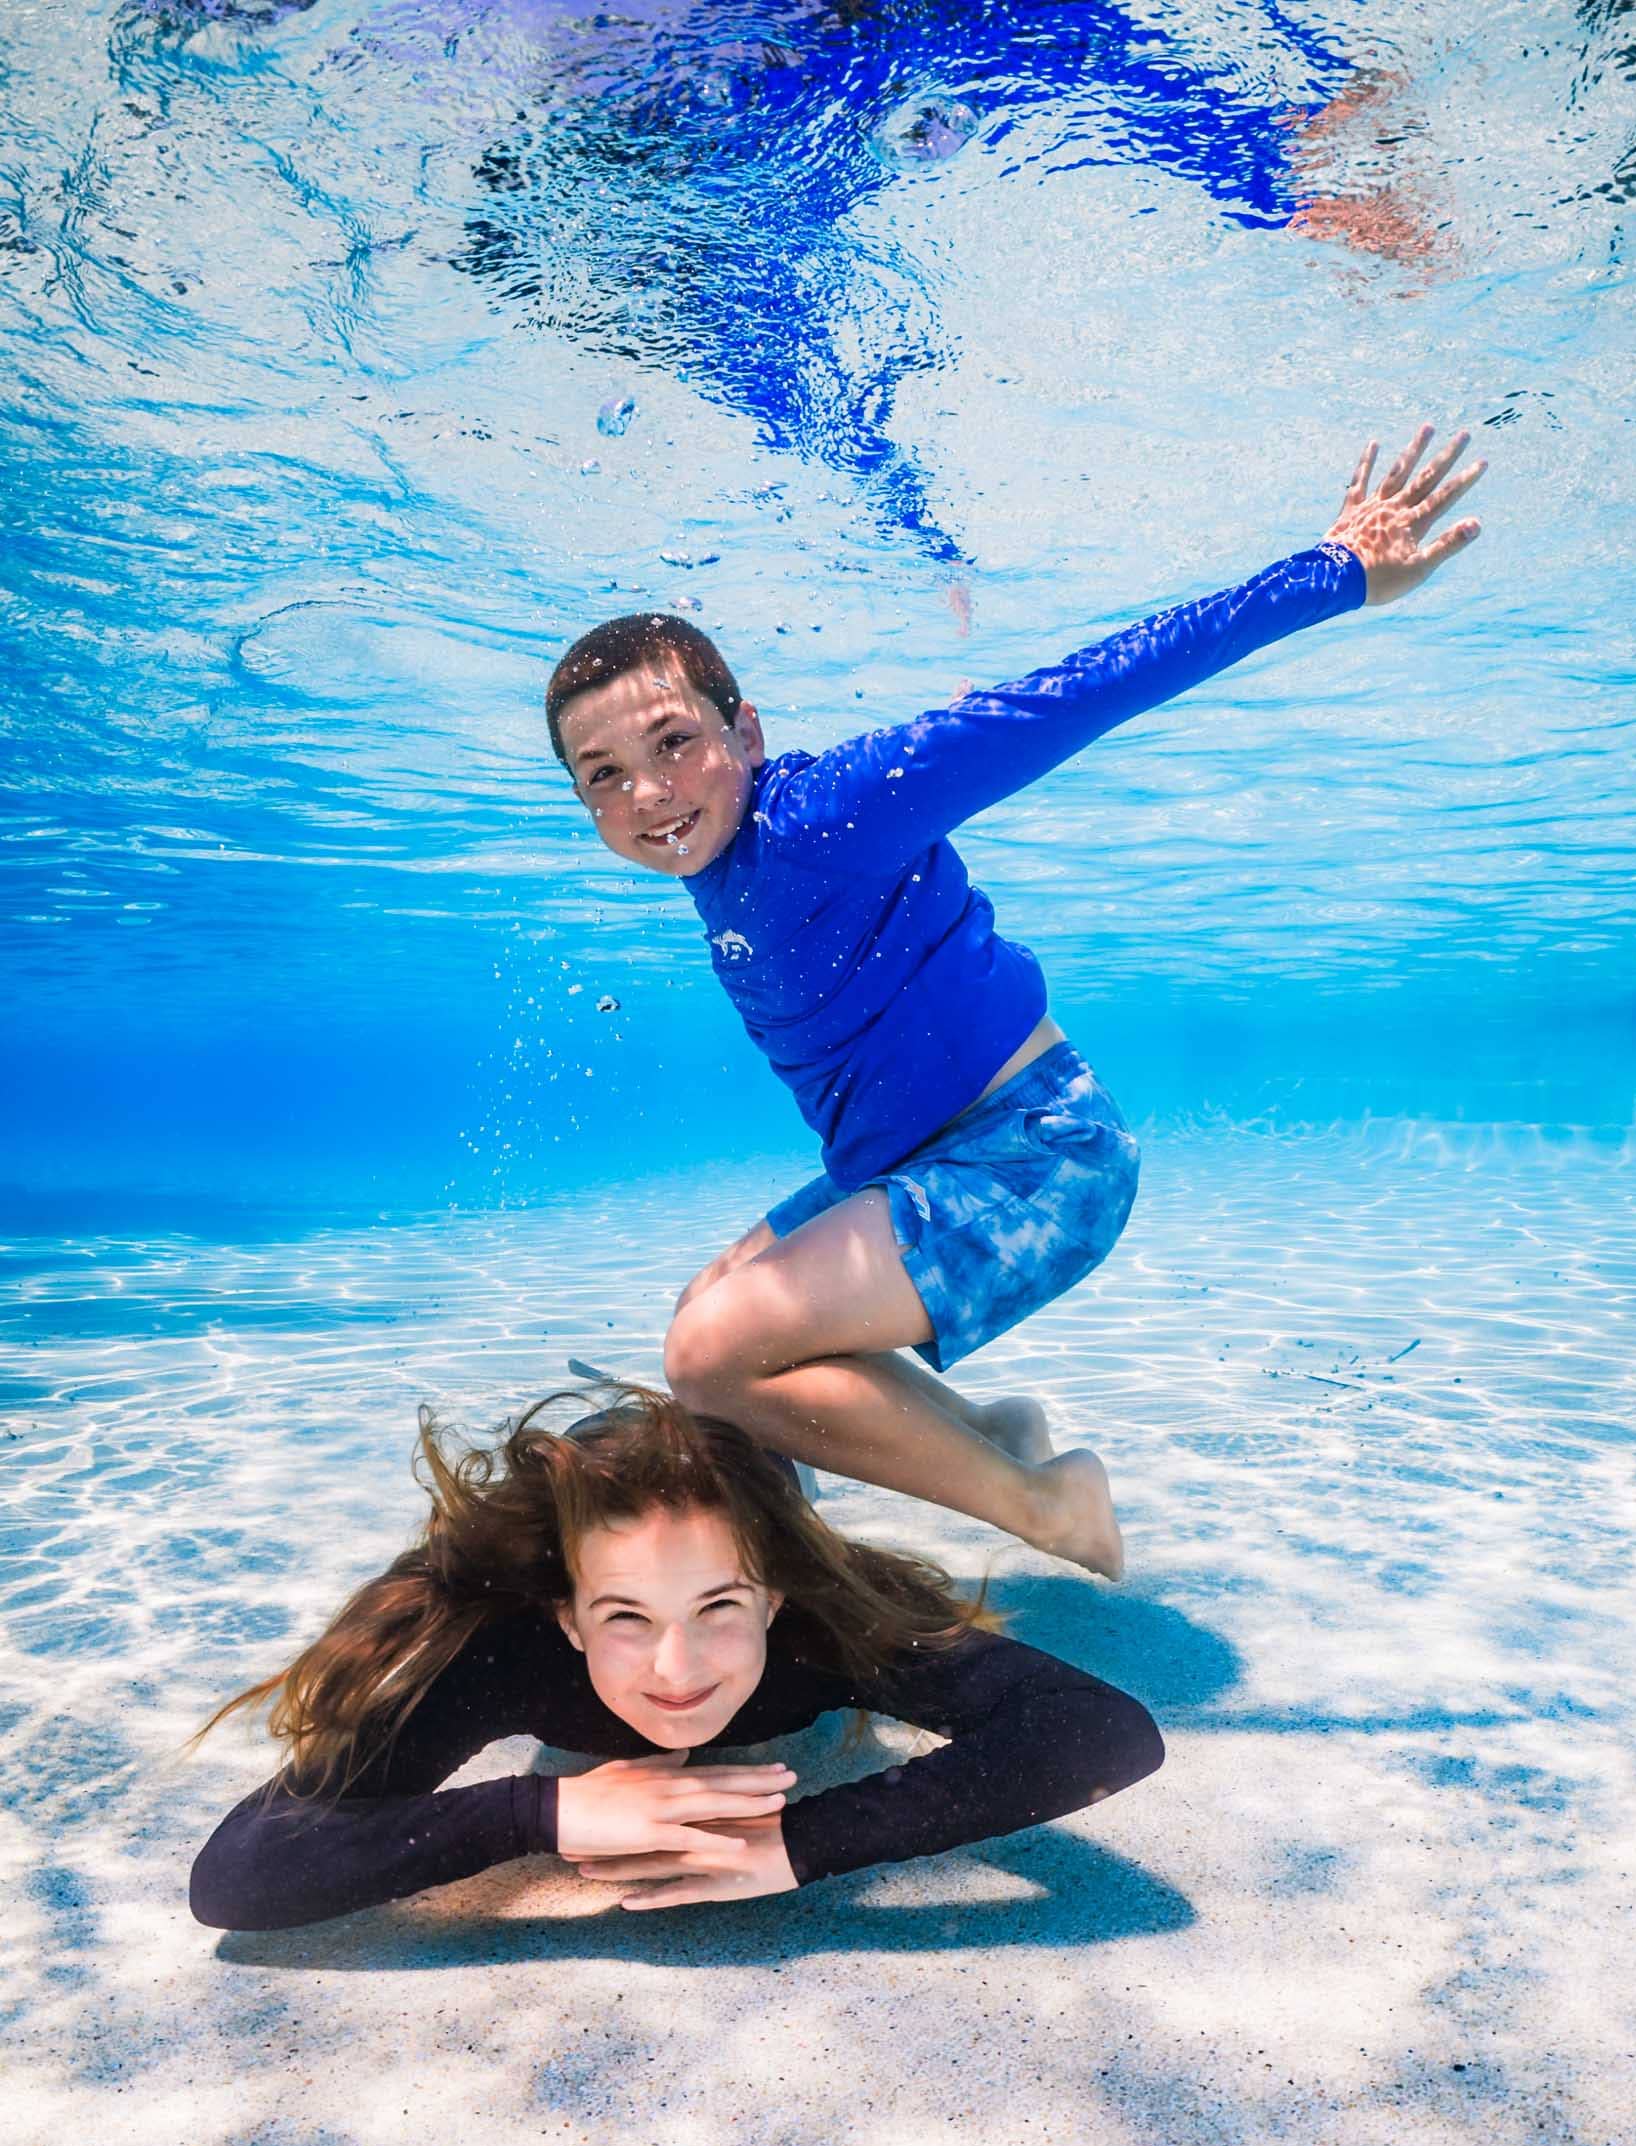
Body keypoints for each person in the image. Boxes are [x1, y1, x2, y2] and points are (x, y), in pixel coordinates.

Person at [543, 425, 1486, 1578]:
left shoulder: (827, 812)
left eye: (673, 743)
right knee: (713, 1307)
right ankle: (978, 1442)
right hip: (919, 1165)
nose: (645, 793)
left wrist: (1333, 572)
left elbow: (1082, 693)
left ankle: (1042, 1503)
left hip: (1041, 1159)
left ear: (745, 732)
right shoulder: (719, 852)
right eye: (602, 777)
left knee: (710, 1354)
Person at [188, 1386, 1164, 1932]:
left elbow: (1099, 1731)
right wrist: (544, 1808)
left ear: (772, 1595)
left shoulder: (824, 1622)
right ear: (563, 1614)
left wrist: (793, 1845)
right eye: (622, 1615)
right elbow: (237, 1874)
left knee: (778, 1460)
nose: (676, 1665)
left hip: (771, 1508)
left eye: (719, 1606)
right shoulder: (510, 1652)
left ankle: (971, 1433)